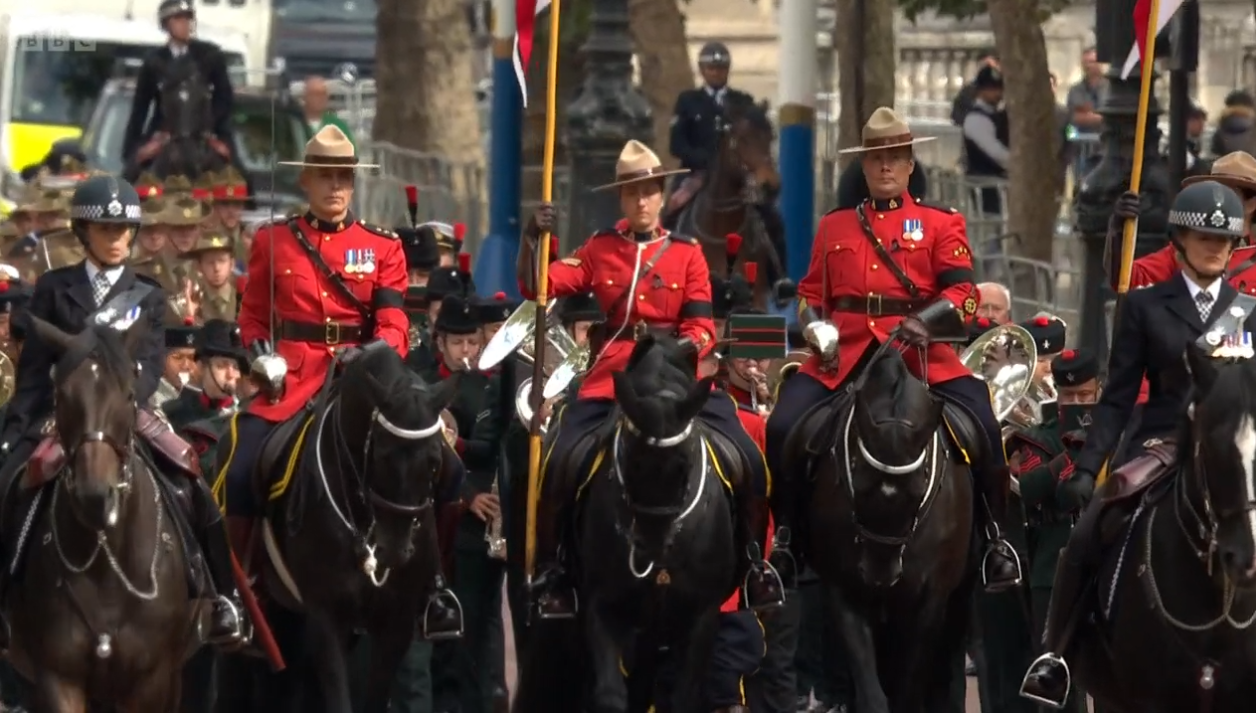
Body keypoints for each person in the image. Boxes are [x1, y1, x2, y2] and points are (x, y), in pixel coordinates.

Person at [518, 138, 782, 617]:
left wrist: (675, 351)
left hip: (676, 379)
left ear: (662, 195)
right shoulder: (599, 249)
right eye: (632, 192)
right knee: (558, 459)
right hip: (613, 377)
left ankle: (752, 565)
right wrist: (532, 238)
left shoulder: (687, 253)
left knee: (746, 454)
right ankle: (555, 571)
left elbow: (702, 327)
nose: (642, 200)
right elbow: (539, 286)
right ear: (621, 197)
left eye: (650, 190)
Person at [765, 106, 1022, 593]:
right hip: (845, 353)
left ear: (909, 165)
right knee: (781, 426)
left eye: (895, 157)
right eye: (876, 157)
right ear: (863, 167)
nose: (885, 166)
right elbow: (807, 296)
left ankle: (994, 543)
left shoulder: (939, 222)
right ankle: (787, 540)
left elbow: (964, 292)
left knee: (985, 427)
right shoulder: (834, 226)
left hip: (918, 352)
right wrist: (816, 328)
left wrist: (926, 320)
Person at [1019, 180, 1256, 708]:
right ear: (1178, 239)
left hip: (1232, 448)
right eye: (1203, 236)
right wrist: (1088, 467)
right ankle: (1056, 655)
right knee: (1088, 532)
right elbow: (1119, 397)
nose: (1216, 247)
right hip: (1163, 442)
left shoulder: (1250, 309)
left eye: (1225, 239)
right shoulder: (1145, 306)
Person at [220, 124, 462, 633]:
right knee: (240, 467)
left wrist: (370, 357)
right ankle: (236, 596)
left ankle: (434, 588)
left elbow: (395, 322)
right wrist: (260, 355)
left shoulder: (382, 246)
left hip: (364, 386)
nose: (336, 188)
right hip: (290, 382)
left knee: (448, 468)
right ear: (305, 181)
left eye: (345, 178)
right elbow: (254, 318)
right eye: (326, 177)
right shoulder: (273, 240)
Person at [0, 174, 244, 646]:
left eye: (124, 229)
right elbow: (33, 373)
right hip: (62, 415)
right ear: (83, 234)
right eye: (107, 229)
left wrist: (124, 395)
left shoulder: (147, 294)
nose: (117, 239)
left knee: (192, 483)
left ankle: (219, 597)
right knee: (8, 484)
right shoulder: (53, 287)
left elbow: (152, 367)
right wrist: (15, 431)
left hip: (128, 410)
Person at [1006, 348, 1099, 713]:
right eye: (1068, 395)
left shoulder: (1119, 429)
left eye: (1085, 395)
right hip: (1054, 562)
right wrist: (1070, 454)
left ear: (1099, 390)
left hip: (1108, 555)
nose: (1076, 401)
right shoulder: (1037, 437)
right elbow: (1030, 491)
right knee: (1056, 669)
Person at [1109, 151, 1256, 290]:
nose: (1218, 200)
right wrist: (1118, 230)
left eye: (1228, 193)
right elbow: (1126, 279)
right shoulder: (1185, 249)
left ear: (1252, 203)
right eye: (1214, 191)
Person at [122, 0, 235, 173]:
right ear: (166, 24)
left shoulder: (210, 55)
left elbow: (224, 97)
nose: (185, 24)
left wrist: (209, 127)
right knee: (130, 174)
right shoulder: (154, 61)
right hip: (164, 132)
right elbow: (140, 108)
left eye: (188, 18)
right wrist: (132, 151)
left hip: (207, 131)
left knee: (241, 176)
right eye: (178, 19)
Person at [162, 318, 246, 431]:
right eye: (221, 366)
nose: (231, 374)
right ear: (201, 366)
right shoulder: (171, 412)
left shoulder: (245, 420)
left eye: (236, 367)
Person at [961, 65, 1010, 216]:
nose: (998, 93)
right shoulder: (976, 119)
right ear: (981, 90)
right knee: (991, 230)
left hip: (997, 184)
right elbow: (996, 153)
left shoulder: (995, 115)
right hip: (984, 183)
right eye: (992, 89)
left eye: (999, 88)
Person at [300, 76, 354, 145]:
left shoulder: (338, 126)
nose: (320, 98)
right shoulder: (295, 125)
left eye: (323, 94)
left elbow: (351, 152)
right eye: (315, 94)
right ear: (305, 97)